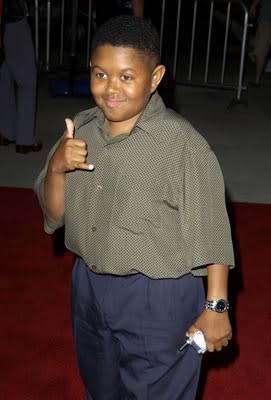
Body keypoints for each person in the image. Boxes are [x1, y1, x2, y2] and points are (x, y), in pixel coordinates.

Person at [34, 15, 234, 400]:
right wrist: (57, 166)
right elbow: (54, 215)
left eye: (127, 77)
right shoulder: (82, 128)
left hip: (157, 296)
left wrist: (217, 307)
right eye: (100, 74)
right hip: (89, 287)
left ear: (155, 78)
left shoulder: (181, 144)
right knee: (101, 387)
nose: (111, 89)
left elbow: (211, 230)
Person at [0, 0, 41, 153]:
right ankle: (24, 139)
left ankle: (5, 131)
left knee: (4, 76)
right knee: (27, 80)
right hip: (12, 18)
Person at [250, 0, 271, 86]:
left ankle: (257, 81)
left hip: (267, 21)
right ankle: (257, 80)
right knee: (257, 48)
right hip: (263, 20)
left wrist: (253, 5)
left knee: (260, 51)